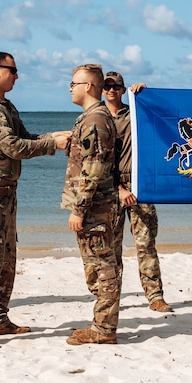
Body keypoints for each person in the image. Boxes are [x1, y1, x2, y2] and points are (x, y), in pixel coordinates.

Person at [0, 52, 70, 349]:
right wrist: (51, 144)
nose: (17, 76)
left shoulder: (6, 106)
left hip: (5, 195)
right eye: (13, 70)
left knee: (5, 259)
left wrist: (53, 135)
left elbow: (25, 136)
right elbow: (13, 147)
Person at [64, 64, 122, 345]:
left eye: (73, 83)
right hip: (95, 207)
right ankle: (102, 325)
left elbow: (94, 168)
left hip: (95, 208)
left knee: (103, 267)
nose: (70, 88)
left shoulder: (96, 119)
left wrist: (79, 209)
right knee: (96, 268)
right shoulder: (90, 118)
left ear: (88, 87)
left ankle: (104, 330)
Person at [103, 73, 171, 312]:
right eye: (107, 86)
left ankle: (155, 296)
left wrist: (146, 95)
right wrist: (118, 189)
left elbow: (163, 119)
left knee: (146, 244)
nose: (112, 90)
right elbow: (95, 162)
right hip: (109, 188)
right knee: (112, 248)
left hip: (139, 184)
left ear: (122, 90)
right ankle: (111, 298)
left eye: (116, 86)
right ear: (102, 89)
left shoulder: (135, 113)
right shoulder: (97, 117)